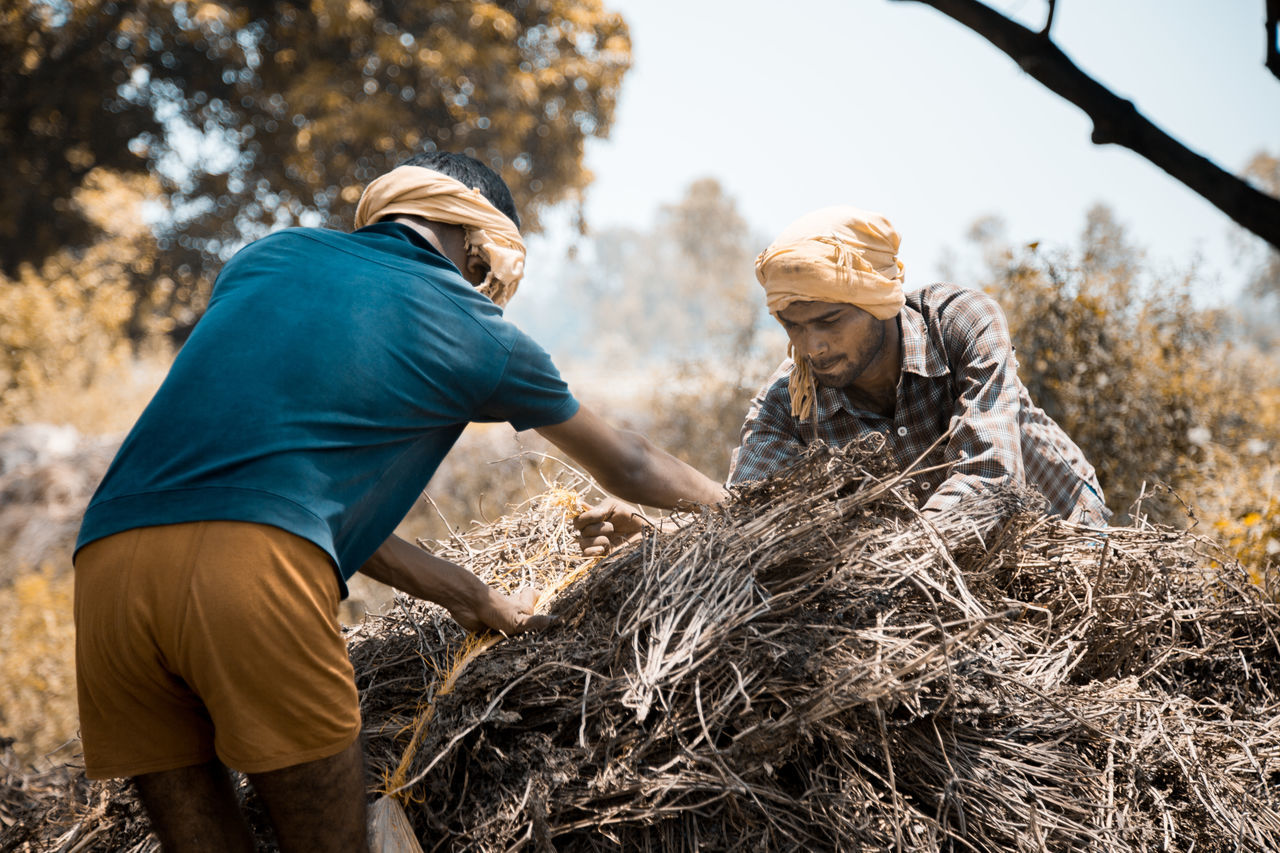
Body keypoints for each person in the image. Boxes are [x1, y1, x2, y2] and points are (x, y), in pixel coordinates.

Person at [73, 151, 726, 853]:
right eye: (489, 271)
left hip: (107, 567)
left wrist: (470, 594)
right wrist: (741, 504)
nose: (486, 288)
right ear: (481, 241)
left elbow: (290, 491)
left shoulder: (268, 257)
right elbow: (627, 461)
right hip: (252, 578)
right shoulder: (477, 328)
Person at [575, 205, 1109, 555]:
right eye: (793, 325)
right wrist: (656, 538)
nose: (812, 347)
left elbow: (990, 478)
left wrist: (887, 560)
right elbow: (746, 523)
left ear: (877, 304)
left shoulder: (961, 324)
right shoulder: (789, 402)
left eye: (830, 322)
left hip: (1064, 529)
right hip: (935, 573)